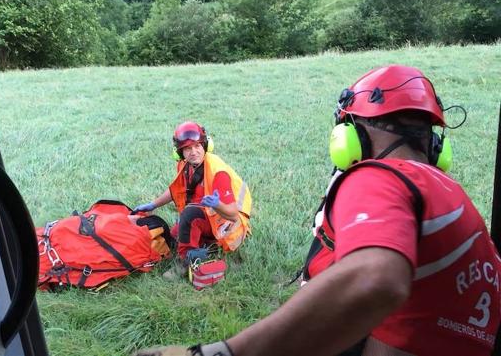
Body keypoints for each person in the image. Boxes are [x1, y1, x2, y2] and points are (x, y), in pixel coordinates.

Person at [132, 65, 501, 356]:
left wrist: (225, 351)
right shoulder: (455, 194)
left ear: (352, 135)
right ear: (435, 145)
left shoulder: (378, 178)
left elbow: (376, 280)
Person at [134, 121, 252, 278]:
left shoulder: (218, 172)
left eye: (197, 146)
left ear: (205, 145)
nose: (194, 152)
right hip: (207, 215)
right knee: (175, 236)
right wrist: (152, 205)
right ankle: (207, 246)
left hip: (227, 224)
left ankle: (186, 263)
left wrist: (217, 204)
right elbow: (176, 189)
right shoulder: (185, 165)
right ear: (180, 152)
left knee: (189, 216)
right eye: (188, 148)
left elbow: (232, 215)